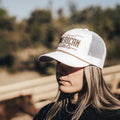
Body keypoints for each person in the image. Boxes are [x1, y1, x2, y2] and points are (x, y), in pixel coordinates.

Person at [34, 28, 120, 120]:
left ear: (92, 71)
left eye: (70, 64)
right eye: (58, 62)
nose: (60, 70)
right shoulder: (46, 114)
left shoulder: (113, 115)